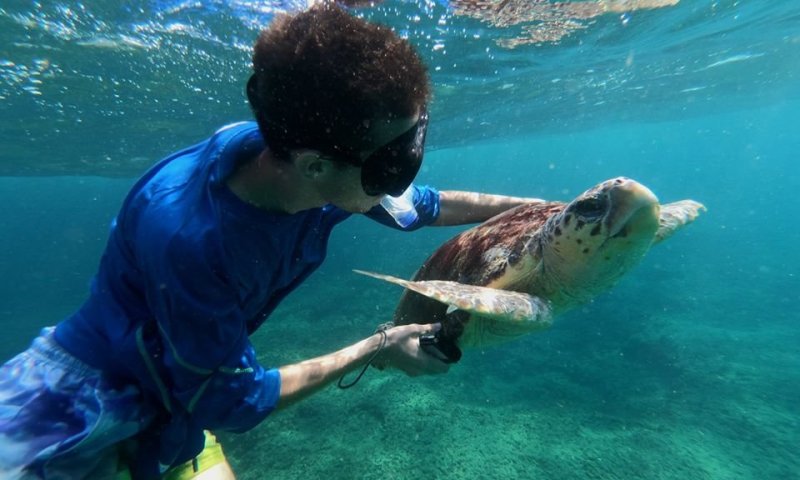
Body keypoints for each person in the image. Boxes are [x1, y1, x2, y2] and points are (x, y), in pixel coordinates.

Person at [0, 4, 539, 479]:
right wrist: (377, 347)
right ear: (316, 166)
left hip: (173, 403)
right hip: (67, 412)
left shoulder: (309, 160)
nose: (400, 179)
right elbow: (234, 401)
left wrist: (547, 211)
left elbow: (428, 205)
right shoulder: (192, 240)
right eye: (391, 165)